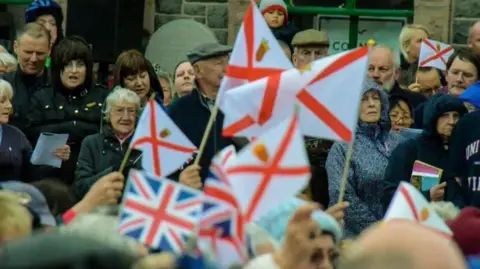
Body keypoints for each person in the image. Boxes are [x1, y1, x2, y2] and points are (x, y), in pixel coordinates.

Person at [326, 80, 404, 238]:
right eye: (363, 99)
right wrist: (376, 229)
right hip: (356, 240)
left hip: (399, 233)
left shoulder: (398, 141)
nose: (371, 104)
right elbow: (341, 196)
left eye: (375, 98)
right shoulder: (342, 148)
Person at [26, 36, 108, 185]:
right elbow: (30, 134)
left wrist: (68, 128)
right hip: (50, 176)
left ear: (88, 69)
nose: (74, 71)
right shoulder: (42, 96)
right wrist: (74, 127)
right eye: (68, 65)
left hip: (92, 175)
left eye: (80, 64)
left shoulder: (102, 96)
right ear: (58, 68)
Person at [382, 94, 467, 209]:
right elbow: (390, 194)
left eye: (456, 116)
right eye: (444, 115)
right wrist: (427, 196)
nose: (451, 121)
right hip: (419, 222)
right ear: (433, 118)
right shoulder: (411, 149)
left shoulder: (466, 151)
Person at [170, 42, 235, 188]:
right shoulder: (179, 111)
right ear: (198, 71)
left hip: (233, 196)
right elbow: (164, 164)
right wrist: (180, 181)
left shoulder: (237, 105)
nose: (227, 68)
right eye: (219, 63)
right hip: (195, 198)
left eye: (228, 62)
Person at [74, 88, 142, 199]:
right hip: (100, 210)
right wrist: (112, 172)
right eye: (119, 110)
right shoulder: (91, 143)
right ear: (108, 115)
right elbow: (81, 188)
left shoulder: (145, 145)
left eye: (131, 111)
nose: (126, 117)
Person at [0, 79, 68, 182]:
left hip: (14, 195)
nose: (9, 106)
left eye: (9, 100)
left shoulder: (16, 135)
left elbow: (33, 173)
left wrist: (54, 157)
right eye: (2, 101)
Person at [1, 23, 51, 130]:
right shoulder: (3, 85)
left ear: (49, 50)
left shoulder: (59, 85)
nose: (33, 59)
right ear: (15, 47)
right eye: (28, 52)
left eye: (40, 53)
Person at [413, 49, 480, 128]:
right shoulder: (424, 109)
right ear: (446, 75)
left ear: (478, 80)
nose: (459, 79)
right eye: (455, 73)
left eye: (467, 75)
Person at [368, 44, 427, 109]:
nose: (375, 74)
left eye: (383, 69)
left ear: (396, 73)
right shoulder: (356, 101)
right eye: (371, 68)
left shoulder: (415, 102)